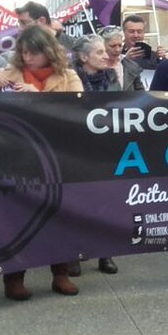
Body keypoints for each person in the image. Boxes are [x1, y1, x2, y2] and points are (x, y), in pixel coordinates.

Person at [0, 26, 84, 300]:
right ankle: (14, 278)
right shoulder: (9, 72)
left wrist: (37, 97)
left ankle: (60, 274)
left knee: (60, 216)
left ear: (47, 51)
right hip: (17, 157)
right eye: (23, 52)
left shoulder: (68, 76)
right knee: (17, 218)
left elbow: (79, 109)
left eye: (33, 52)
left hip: (58, 156)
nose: (27, 58)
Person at [71, 35, 121, 275]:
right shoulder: (70, 80)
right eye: (99, 52)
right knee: (77, 202)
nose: (105, 56)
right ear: (83, 57)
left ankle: (105, 253)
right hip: (75, 150)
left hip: (106, 149)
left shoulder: (112, 78)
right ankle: (73, 253)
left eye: (105, 52)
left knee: (106, 202)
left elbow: (122, 107)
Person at [99, 26, 146, 91]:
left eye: (120, 45)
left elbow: (141, 94)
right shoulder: (94, 68)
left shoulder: (131, 67)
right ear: (102, 46)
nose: (117, 50)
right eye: (113, 46)